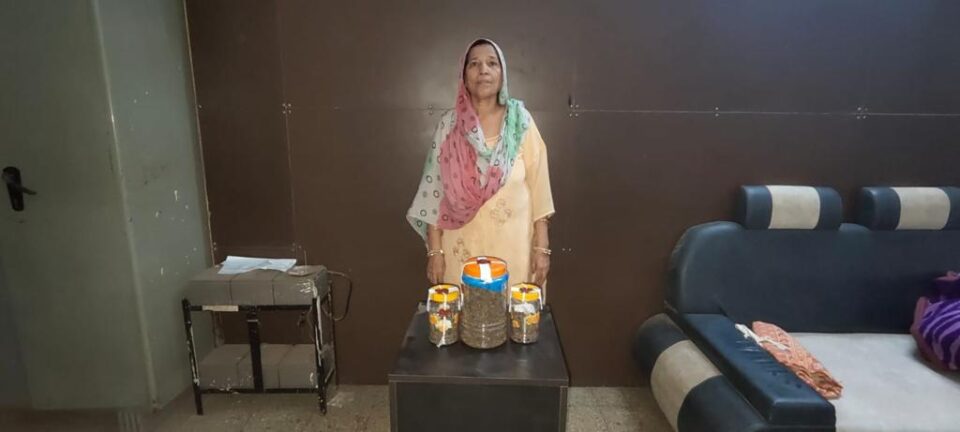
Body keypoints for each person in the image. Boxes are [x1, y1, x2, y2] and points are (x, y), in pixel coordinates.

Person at [406, 38, 555, 290]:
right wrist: (435, 251)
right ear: (464, 77)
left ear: (502, 74)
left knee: (513, 313)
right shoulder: (449, 126)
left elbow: (540, 187)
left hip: (515, 251)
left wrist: (542, 248)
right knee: (462, 313)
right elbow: (433, 192)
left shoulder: (520, 122)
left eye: (492, 63)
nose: (483, 70)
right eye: (474, 64)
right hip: (460, 251)